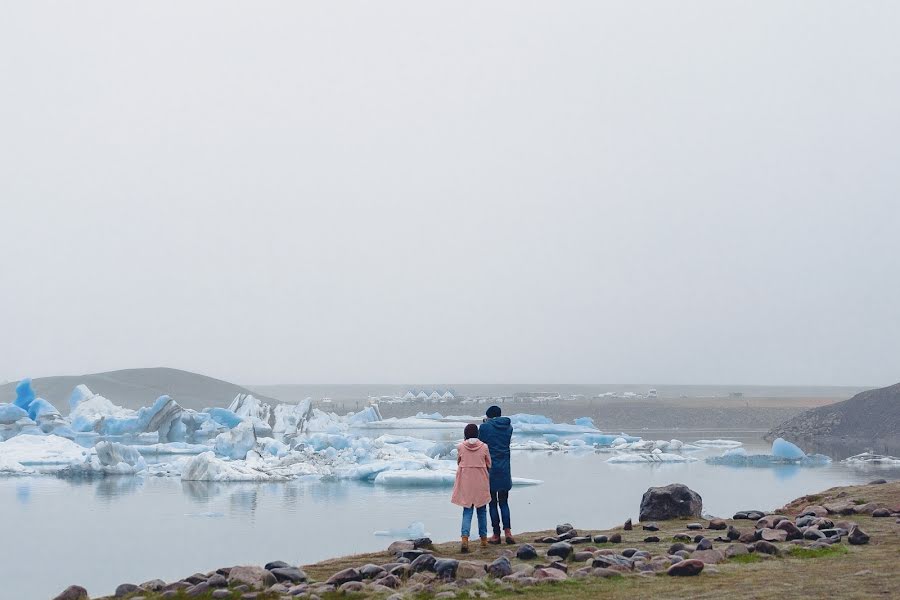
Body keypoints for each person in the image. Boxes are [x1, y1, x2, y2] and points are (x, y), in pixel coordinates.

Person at [450, 423, 492, 553]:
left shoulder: (461, 447)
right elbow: (489, 463)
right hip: (481, 482)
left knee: (467, 512)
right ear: (477, 433)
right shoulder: (484, 447)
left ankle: (464, 539)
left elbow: (459, 462)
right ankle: (484, 539)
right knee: (482, 511)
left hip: (466, 483)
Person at [478, 405, 515, 544]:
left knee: (492, 502)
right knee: (504, 502)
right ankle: (508, 532)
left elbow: (481, 443)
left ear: (489, 416)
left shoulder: (485, 427)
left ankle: (496, 534)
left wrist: (485, 424)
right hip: (505, 468)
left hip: (490, 468)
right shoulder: (509, 427)